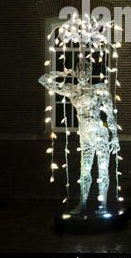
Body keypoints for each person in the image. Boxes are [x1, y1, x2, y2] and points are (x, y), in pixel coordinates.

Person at [39, 60, 120, 214]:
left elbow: (110, 114)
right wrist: (63, 73)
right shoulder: (72, 90)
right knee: (85, 170)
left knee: (102, 170)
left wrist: (114, 136)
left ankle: (102, 205)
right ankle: (82, 203)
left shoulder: (99, 89)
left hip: (100, 134)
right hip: (85, 136)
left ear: (90, 72)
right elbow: (43, 80)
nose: (83, 73)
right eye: (80, 70)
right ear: (76, 72)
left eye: (86, 69)